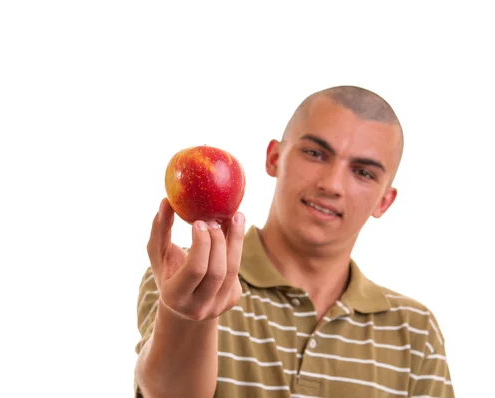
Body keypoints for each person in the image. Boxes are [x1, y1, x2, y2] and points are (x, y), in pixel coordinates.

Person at [133, 85, 455, 397]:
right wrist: (184, 316)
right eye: (315, 153)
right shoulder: (184, 278)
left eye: (364, 173)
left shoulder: (415, 332)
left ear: (384, 201)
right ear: (274, 157)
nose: (331, 185)